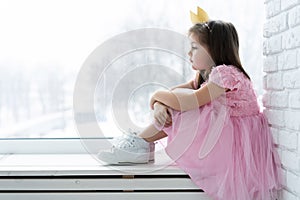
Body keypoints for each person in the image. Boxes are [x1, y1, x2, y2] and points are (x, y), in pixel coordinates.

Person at [98, 13, 283, 200]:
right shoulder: (207, 75)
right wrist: (161, 105)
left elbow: (188, 102)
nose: (189, 53)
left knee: (186, 108)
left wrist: (155, 97)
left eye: (195, 48)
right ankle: (140, 144)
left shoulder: (225, 73)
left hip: (233, 145)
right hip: (227, 138)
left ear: (213, 50)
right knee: (180, 101)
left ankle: (139, 145)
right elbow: (174, 93)